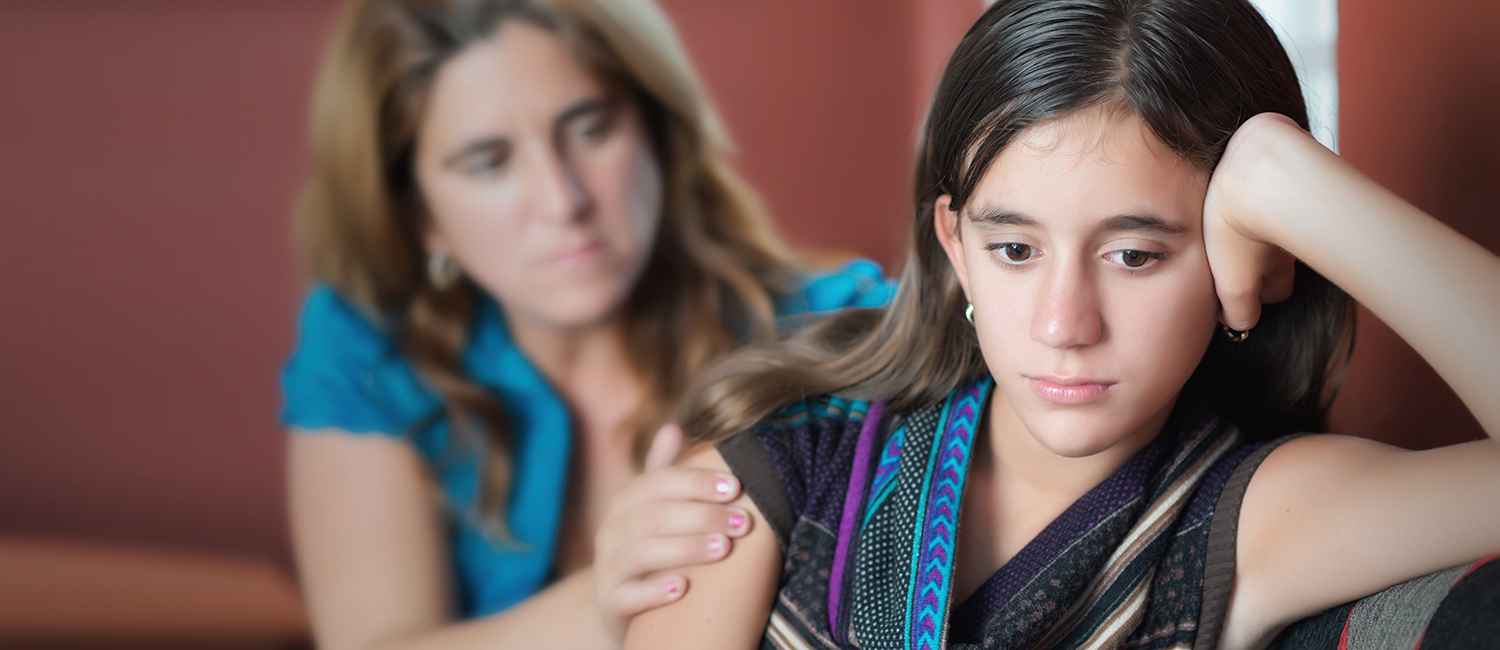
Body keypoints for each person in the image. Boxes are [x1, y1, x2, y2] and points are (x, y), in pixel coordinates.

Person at [623, 0, 1500, 648]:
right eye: (1014, 249)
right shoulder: (789, 465)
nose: (1063, 324)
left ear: (1245, 263)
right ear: (955, 247)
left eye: (1133, 256)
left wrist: (1286, 181)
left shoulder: (1245, 519)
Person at [278, 0, 893, 648]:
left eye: (591, 128)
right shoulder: (365, 351)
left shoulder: (839, 325)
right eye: (489, 162)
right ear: (419, 216)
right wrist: (600, 607)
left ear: (657, 130)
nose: (562, 200)